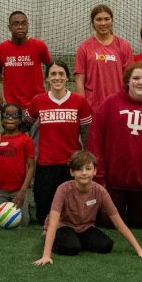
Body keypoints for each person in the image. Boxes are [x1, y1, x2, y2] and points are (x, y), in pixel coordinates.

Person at [87, 62, 142, 229]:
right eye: (136, 78)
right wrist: (99, 176)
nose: (140, 82)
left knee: (139, 223)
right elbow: (95, 141)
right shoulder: (109, 103)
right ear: (127, 81)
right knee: (108, 223)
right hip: (112, 181)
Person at [34, 150, 142, 265]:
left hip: (85, 227)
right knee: (71, 248)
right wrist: (46, 255)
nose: (84, 173)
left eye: (88, 169)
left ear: (94, 171)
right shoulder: (63, 189)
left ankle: (76, 239)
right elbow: (54, 222)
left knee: (106, 246)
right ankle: (50, 237)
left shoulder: (100, 191)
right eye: (79, 169)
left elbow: (118, 222)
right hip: (63, 225)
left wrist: (139, 250)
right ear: (72, 172)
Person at [24, 61, 91, 223]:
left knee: (71, 214)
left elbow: (87, 134)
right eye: (53, 74)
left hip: (70, 165)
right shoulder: (38, 101)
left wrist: (85, 162)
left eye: (61, 74)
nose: (57, 77)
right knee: (43, 216)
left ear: (67, 77)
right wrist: (0, 135)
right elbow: (23, 126)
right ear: (47, 79)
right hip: (45, 164)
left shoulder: (79, 102)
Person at [74, 4, 133, 112]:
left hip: (119, 106)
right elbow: (79, 81)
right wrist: (83, 108)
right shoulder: (84, 47)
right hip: (93, 108)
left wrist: (128, 103)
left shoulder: (124, 45)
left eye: (106, 19)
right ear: (92, 22)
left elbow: (129, 79)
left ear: (112, 20)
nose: (103, 23)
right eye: (99, 19)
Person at [0, 103, 35, 225]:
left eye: (15, 115)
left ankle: (26, 208)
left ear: (20, 120)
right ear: (1, 120)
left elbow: (31, 166)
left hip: (19, 190)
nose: (10, 118)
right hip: (0, 190)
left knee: (22, 223)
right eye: (7, 115)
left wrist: (23, 191)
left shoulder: (26, 140)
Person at [0, 10, 52, 111]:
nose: (20, 27)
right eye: (16, 24)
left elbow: (51, 66)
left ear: (28, 26)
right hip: (12, 106)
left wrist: (51, 91)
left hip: (37, 103)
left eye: (23, 23)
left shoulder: (39, 45)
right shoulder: (0, 49)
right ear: (9, 27)